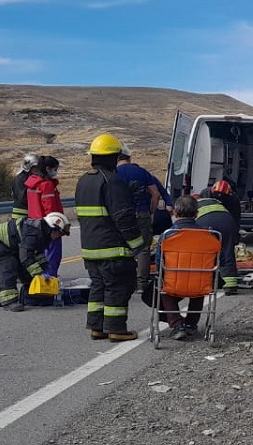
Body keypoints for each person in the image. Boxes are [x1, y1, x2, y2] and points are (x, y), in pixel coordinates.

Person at [76, 133, 143, 342]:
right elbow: (123, 217)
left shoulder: (83, 181)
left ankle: (97, 327)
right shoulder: (112, 181)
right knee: (118, 287)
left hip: (90, 249)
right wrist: (138, 245)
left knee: (98, 287)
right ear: (114, 157)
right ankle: (116, 329)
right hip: (112, 249)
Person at [150, 196, 210, 340]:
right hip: (199, 282)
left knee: (164, 288)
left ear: (175, 213)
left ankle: (177, 324)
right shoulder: (208, 235)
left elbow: (159, 261)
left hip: (174, 281)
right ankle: (191, 324)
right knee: (200, 285)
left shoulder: (168, 235)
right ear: (196, 214)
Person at [0, 212, 70, 312]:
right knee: (8, 269)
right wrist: (39, 273)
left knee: (26, 271)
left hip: (15, 246)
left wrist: (46, 269)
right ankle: (9, 301)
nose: (59, 236)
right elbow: (25, 256)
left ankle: (26, 295)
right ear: (52, 228)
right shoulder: (33, 232)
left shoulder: (43, 234)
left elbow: (38, 254)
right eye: (60, 233)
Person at [115, 144, 162, 290]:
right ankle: (142, 283)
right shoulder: (141, 172)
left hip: (122, 215)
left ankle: (125, 281)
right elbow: (156, 194)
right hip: (142, 213)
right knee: (143, 249)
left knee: (122, 247)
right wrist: (151, 211)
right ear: (129, 157)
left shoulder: (113, 173)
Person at [25, 156, 64, 280]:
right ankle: (49, 283)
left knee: (40, 257)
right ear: (47, 169)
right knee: (52, 257)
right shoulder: (46, 185)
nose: (55, 172)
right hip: (48, 226)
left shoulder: (32, 183)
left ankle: (41, 281)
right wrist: (56, 227)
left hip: (34, 224)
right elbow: (50, 208)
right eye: (55, 169)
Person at [195, 189, 240, 294]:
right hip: (227, 221)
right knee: (227, 251)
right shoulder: (217, 202)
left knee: (206, 252)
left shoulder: (194, 204)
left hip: (205, 222)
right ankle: (230, 285)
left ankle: (206, 282)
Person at [11, 153, 39, 219]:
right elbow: (23, 197)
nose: (37, 169)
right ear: (29, 166)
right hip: (21, 213)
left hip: (26, 212)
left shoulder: (27, 177)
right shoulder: (21, 178)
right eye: (35, 167)